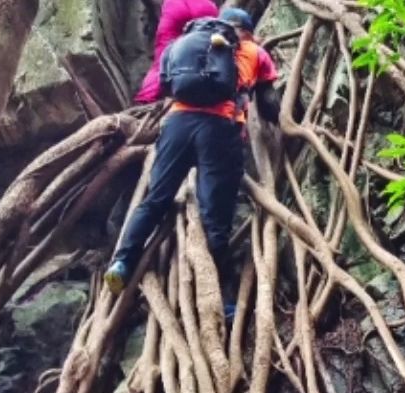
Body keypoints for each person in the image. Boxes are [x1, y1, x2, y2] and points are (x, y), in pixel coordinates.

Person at [104, 8, 280, 319]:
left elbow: (161, 84)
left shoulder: (182, 44)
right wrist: (287, 125)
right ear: (249, 31)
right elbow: (268, 102)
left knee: (155, 199)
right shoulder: (253, 51)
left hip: (177, 124)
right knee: (216, 216)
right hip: (220, 130)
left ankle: (122, 262)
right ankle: (213, 300)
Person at [135, 0, 220, 105]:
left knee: (161, 59)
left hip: (176, 7)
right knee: (204, 51)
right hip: (203, 6)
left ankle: (148, 97)